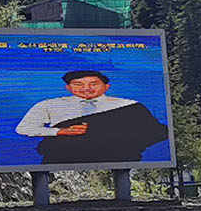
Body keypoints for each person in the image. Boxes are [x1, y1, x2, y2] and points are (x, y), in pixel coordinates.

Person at [15, 69, 168, 166]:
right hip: (61, 159)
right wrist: (60, 132)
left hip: (120, 158)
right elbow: (23, 128)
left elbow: (155, 133)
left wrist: (106, 134)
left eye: (94, 84)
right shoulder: (49, 105)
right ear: (67, 88)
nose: (86, 89)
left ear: (106, 86)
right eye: (78, 84)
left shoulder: (130, 106)